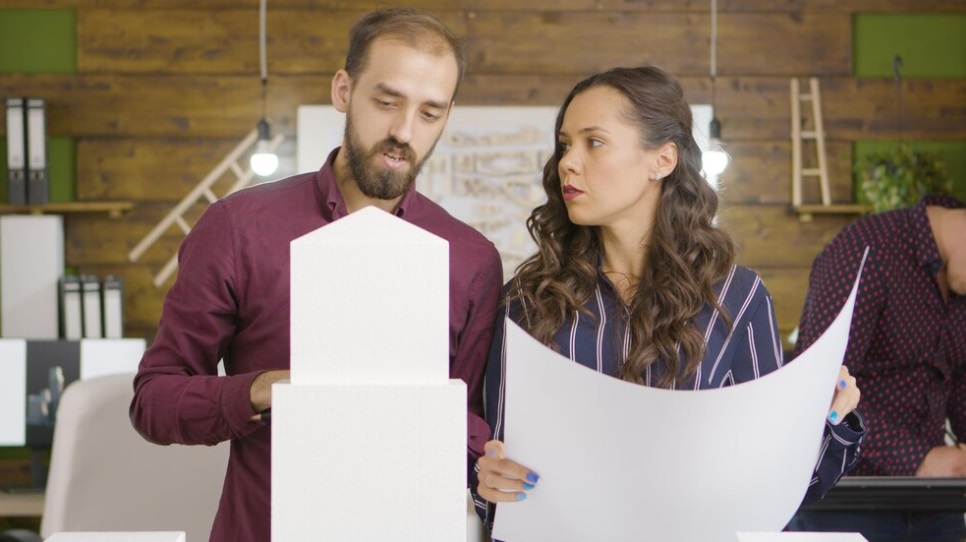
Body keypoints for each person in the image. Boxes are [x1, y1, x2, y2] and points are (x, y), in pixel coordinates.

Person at [129, 8, 503, 542]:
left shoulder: (471, 259)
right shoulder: (238, 228)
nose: (403, 131)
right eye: (386, 101)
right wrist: (260, 390)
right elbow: (154, 401)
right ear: (343, 90)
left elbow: (466, 430)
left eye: (430, 113)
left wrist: (488, 465)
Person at [470, 66, 867, 535]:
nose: (568, 163)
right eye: (564, 144)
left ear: (662, 159)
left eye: (593, 142)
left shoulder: (738, 300)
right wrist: (487, 477)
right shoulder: (528, 299)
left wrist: (825, 416)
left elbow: (779, 482)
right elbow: (497, 462)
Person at [786, 194, 966, 541]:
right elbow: (818, 385)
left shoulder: (958, 281)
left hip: (936, 504)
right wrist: (919, 460)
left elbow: (958, 382)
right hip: (848, 499)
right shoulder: (866, 250)